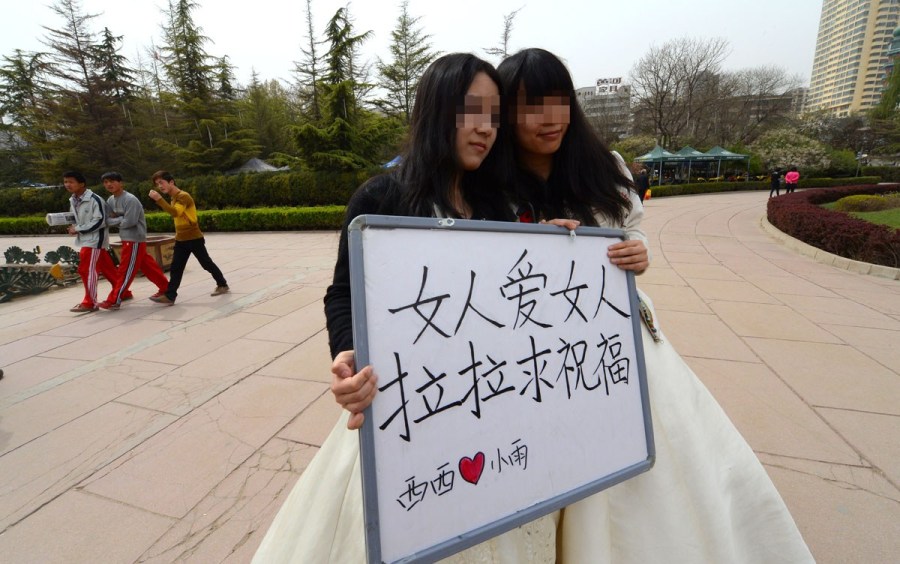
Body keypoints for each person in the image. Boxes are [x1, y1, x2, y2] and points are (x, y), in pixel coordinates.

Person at [495, 47, 812, 563]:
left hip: (611, 337)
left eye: (558, 102)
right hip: (527, 351)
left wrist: (637, 256)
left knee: (650, 470)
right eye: (530, 107)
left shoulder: (605, 168)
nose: (548, 119)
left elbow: (630, 237)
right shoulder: (490, 182)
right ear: (506, 114)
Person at [254, 53, 571, 563]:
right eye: (471, 111)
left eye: (493, 116)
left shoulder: (500, 206)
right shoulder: (382, 198)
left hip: (486, 402)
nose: (484, 128)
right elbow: (342, 292)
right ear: (437, 110)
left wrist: (551, 249)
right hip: (403, 409)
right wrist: (346, 351)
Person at [147, 171, 229, 305]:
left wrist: (158, 199)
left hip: (193, 238)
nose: (159, 186)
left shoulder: (183, 196)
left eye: (161, 182)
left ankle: (222, 284)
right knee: (176, 268)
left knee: (206, 263)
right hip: (181, 239)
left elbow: (175, 213)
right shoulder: (174, 198)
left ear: (171, 182)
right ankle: (170, 296)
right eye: (157, 184)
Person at [98, 172, 169, 310]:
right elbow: (107, 219)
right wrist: (119, 220)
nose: (109, 185)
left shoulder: (130, 199)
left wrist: (116, 220)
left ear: (121, 183)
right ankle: (166, 288)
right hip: (126, 238)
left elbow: (129, 222)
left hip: (134, 239)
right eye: (106, 182)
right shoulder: (111, 200)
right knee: (148, 267)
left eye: (112, 181)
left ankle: (114, 299)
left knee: (125, 270)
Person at [63, 170, 118, 313]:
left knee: (86, 270)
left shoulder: (95, 199)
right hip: (85, 239)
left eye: (71, 182)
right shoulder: (73, 199)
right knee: (108, 269)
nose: (67, 184)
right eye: (65, 182)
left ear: (81, 184)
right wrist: (72, 227)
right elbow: (76, 218)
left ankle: (90, 302)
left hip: (94, 240)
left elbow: (100, 221)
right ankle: (122, 292)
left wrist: (78, 229)